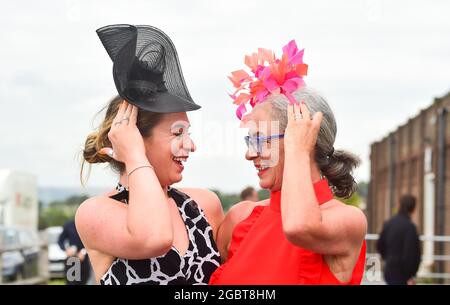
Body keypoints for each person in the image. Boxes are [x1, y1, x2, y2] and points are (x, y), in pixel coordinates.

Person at [75, 24, 224, 285]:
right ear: (134, 137)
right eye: (178, 133)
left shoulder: (204, 204)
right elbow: (154, 237)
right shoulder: (95, 212)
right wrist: (134, 157)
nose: (190, 145)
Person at [210, 41, 367, 284]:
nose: (250, 154)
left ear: (303, 138)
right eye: (250, 140)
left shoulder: (347, 220)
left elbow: (298, 226)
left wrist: (297, 150)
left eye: (262, 139)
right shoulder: (242, 217)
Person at [377, 195, 421, 285]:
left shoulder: (389, 223)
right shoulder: (410, 227)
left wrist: (388, 258)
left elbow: (379, 245)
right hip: (403, 274)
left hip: (389, 270)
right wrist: (411, 275)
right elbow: (412, 254)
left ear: (399, 205)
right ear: (413, 209)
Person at [58, 219, 91, 285]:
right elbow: (60, 240)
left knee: (83, 282)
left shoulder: (88, 225)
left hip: (83, 260)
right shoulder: (69, 225)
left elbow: (92, 242)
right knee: (71, 282)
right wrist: (66, 249)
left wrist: (84, 252)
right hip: (72, 260)